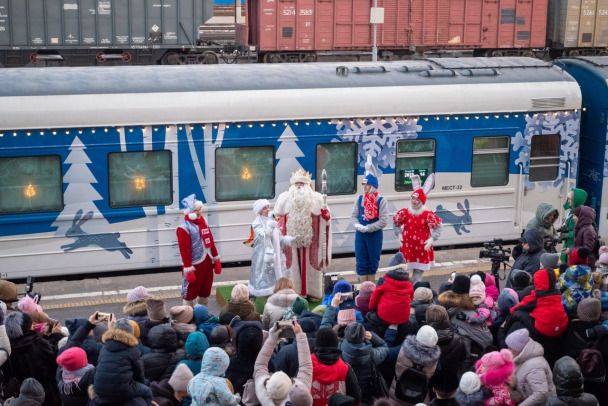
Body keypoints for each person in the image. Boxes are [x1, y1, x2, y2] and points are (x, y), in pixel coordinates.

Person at [274, 168, 332, 300]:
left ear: (308, 185)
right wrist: (279, 231)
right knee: (291, 265)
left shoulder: (317, 198)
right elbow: (277, 218)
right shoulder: (283, 198)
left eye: (302, 183)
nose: (299, 185)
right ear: (292, 185)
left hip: (311, 241)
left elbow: (326, 219)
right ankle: (294, 292)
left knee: (311, 265)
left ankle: (313, 292)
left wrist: (326, 217)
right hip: (290, 242)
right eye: (296, 183)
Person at [392, 174, 443, 284]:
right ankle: (404, 289)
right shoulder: (405, 212)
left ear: (422, 201)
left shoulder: (427, 214)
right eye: (413, 198)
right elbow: (396, 222)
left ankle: (413, 291)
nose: (414, 201)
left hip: (421, 248)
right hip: (407, 246)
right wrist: (399, 234)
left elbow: (438, 227)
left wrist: (432, 239)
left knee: (418, 273)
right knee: (401, 270)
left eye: (417, 199)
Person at [177, 194, 222, 307]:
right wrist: (188, 269)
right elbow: (184, 251)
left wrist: (216, 259)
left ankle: (203, 314)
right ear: (189, 211)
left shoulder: (203, 221)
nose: (198, 212)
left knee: (205, 290)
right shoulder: (183, 227)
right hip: (194, 264)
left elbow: (210, 240)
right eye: (196, 210)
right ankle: (187, 315)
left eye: (199, 209)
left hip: (207, 260)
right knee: (190, 292)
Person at [351, 156, 388, 282]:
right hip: (360, 235)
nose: (365, 187)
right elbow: (354, 216)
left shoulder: (381, 201)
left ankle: (370, 287)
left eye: (367, 185)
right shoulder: (359, 199)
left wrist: (368, 228)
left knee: (372, 262)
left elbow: (383, 221)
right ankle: (361, 288)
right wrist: (357, 225)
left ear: (373, 186)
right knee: (360, 261)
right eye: (363, 184)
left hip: (374, 236)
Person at [248, 199, 295, 297]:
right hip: (264, 258)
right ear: (259, 211)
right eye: (264, 208)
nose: (268, 209)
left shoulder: (273, 220)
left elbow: (278, 237)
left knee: (275, 283)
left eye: (268, 207)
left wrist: (288, 239)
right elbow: (265, 235)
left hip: (276, 257)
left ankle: (273, 303)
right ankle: (254, 301)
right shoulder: (256, 223)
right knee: (264, 283)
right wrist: (271, 223)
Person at [506, 328, 556, 405]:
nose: (507, 351)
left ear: (518, 349)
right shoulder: (521, 359)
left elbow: (541, 394)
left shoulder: (535, 366)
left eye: (510, 348)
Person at [563, 206, 598, 271]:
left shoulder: (588, 230)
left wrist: (571, 250)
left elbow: (587, 248)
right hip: (580, 262)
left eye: (574, 216)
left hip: (586, 263)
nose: (573, 218)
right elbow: (577, 244)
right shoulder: (580, 228)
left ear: (581, 216)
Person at [560, 188, 588, 264]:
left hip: (574, 247)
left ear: (577, 200)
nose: (569, 201)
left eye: (571, 199)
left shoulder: (580, 214)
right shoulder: (571, 211)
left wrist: (567, 234)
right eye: (568, 199)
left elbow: (581, 232)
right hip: (567, 245)